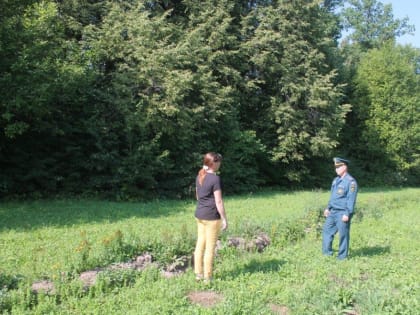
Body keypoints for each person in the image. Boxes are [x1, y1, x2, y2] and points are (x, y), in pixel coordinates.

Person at [194, 152, 228, 283]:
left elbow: (198, 196)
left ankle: (198, 274)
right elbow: (218, 201)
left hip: (199, 215)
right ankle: (208, 277)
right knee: (209, 248)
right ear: (213, 163)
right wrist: (224, 219)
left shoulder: (199, 176)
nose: (220, 164)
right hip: (212, 218)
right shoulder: (215, 179)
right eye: (218, 162)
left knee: (200, 244)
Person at [322, 157, 358, 260]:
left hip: (342, 213)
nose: (336, 169)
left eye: (338, 167)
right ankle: (326, 254)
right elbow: (333, 196)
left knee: (343, 235)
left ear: (345, 167)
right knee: (327, 231)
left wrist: (347, 213)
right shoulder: (336, 180)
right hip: (332, 212)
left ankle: (342, 257)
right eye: (335, 167)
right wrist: (328, 208)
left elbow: (351, 199)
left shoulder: (351, 182)